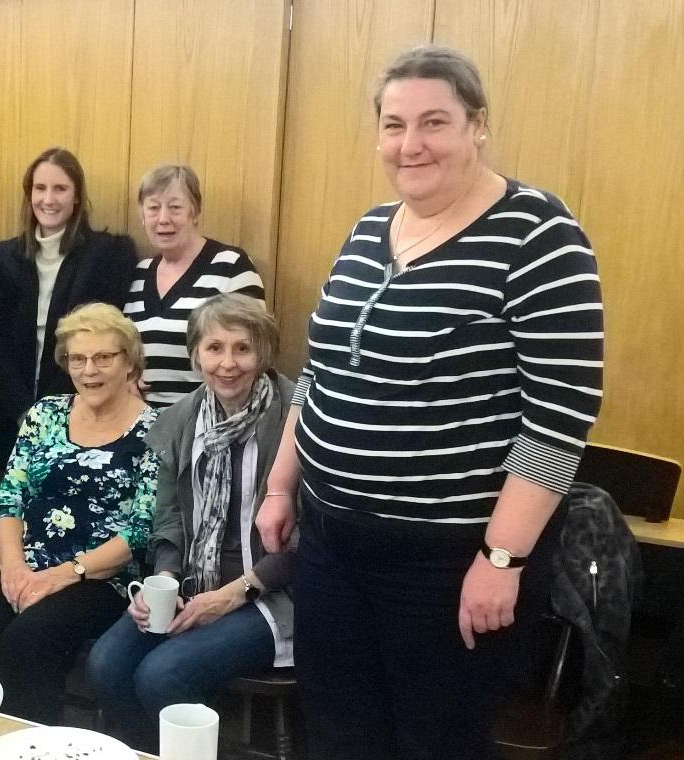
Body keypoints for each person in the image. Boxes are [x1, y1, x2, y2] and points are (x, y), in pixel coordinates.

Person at [255, 45, 603, 760]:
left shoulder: (538, 235)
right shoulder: (365, 231)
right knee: (338, 734)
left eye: (433, 122)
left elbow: (558, 416)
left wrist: (501, 560)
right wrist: (281, 484)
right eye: (392, 125)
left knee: (432, 742)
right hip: (330, 541)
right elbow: (319, 373)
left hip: (444, 563)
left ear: (477, 125)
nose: (409, 145)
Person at [86, 294, 296, 749]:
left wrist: (231, 594)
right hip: (192, 583)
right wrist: (163, 579)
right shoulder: (182, 419)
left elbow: (307, 537)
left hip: (271, 592)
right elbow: (168, 515)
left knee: (163, 675)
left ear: (263, 353)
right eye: (214, 348)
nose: (228, 363)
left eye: (242, 348)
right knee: (106, 663)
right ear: (195, 354)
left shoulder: (291, 419)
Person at [0, 302, 160, 725]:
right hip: (27, 564)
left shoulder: (155, 429)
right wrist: (12, 567)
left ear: (129, 362)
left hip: (102, 578)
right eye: (78, 359)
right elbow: (9, 497)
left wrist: (65, 574)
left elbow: (141, 529)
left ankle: (29, 746)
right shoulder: (45, 414)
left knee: (29, 639)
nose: (90, 370)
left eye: (104, 357)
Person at [0, 147, 139, 468]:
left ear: (77, 196)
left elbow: (103, 344)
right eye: (40, 188)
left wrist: (54, 414)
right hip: (14, 420)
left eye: (60, 188)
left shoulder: (106, 258)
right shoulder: (4, 260)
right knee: (15, 515)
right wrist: (25, 412)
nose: (48, 199)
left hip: (85, 416)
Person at [123, 164, 264, 408]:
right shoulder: (138, 273)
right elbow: (121, 347)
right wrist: (125, 376)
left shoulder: (231, 266)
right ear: (142, 216)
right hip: (139, 422)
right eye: (154, 208)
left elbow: (254, 351)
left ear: (195, 212)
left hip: (207, 422)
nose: (163, 219)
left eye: (175, 208)